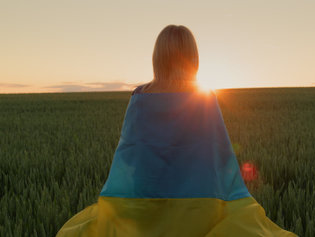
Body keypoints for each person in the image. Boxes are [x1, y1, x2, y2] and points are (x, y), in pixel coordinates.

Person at [56, 25, 296, 237]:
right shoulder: (205, 97)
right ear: (193, 58)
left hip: (143, 201)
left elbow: (130, 152)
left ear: (157, 57)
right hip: (200, 203)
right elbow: (216, 156)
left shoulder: (139, 97)